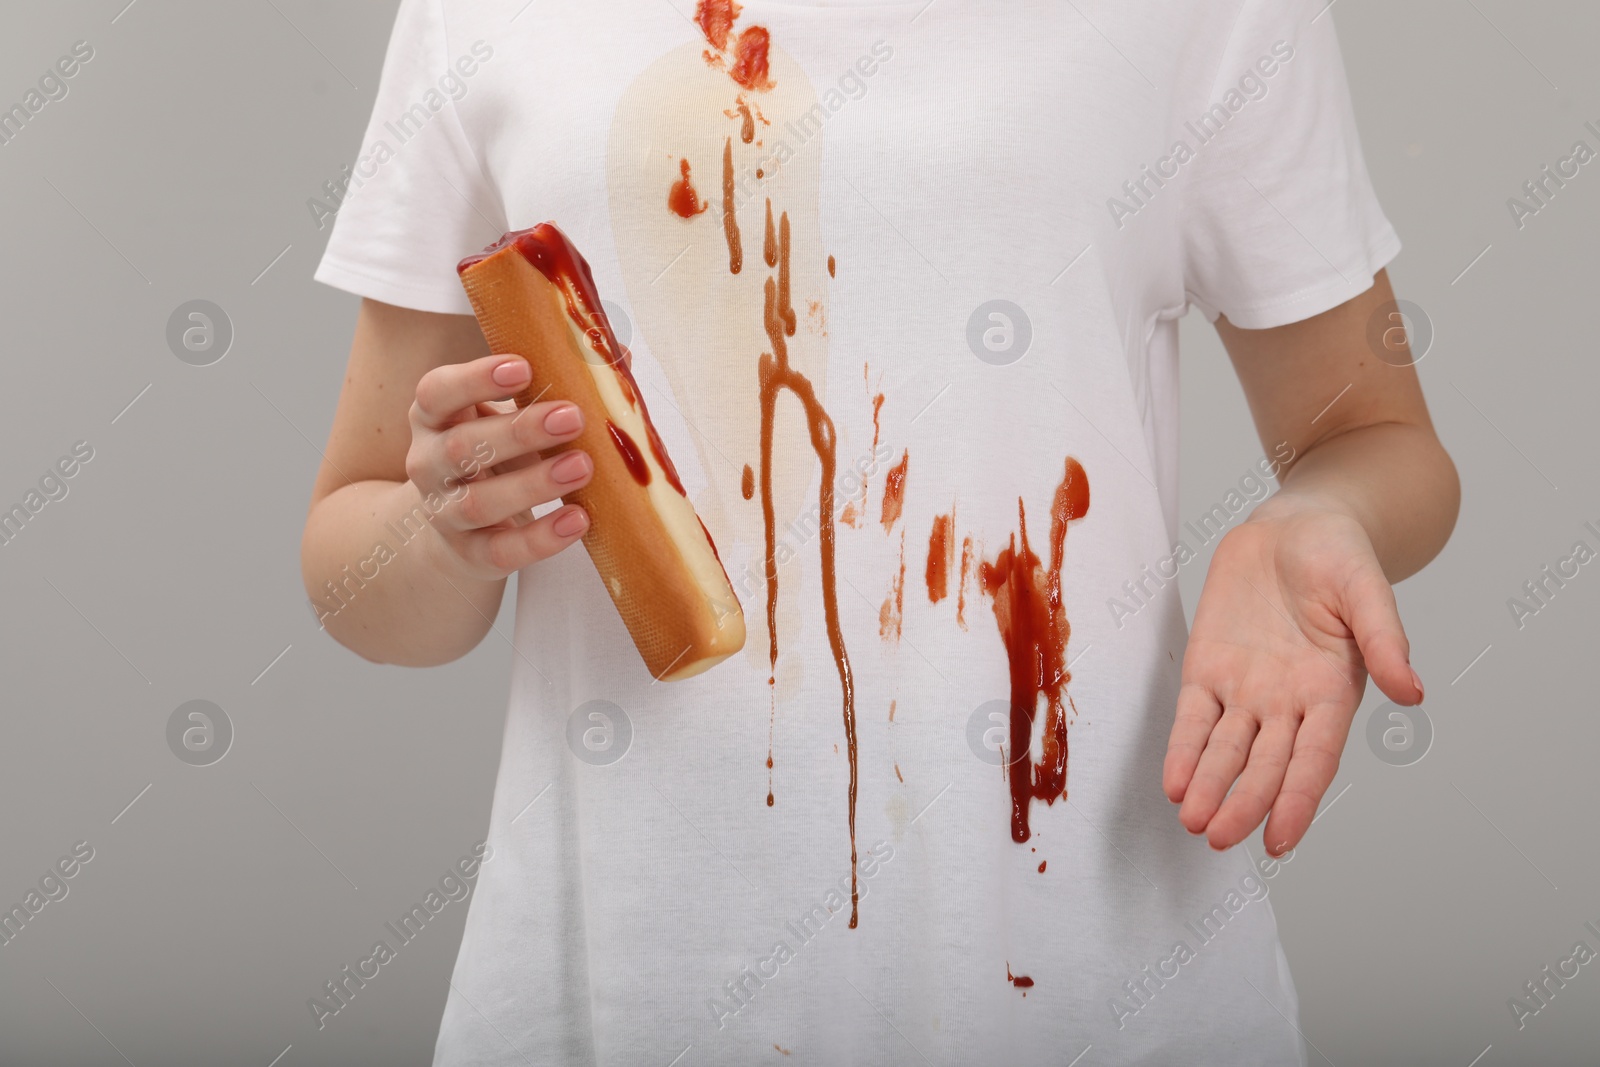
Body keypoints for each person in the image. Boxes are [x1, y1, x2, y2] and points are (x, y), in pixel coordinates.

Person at [301, 0, 1458, 1063]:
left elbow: (1377, 436)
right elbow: (352, 564)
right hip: (624, 979)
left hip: (1086, 965)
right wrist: (447, 528)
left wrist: (1310, 513)